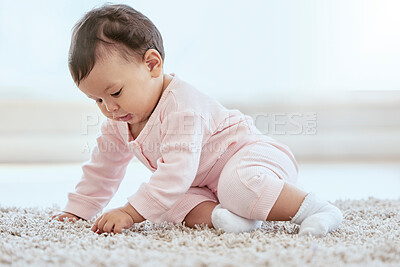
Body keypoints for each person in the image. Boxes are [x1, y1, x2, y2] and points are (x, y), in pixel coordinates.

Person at [51, 3, 343, 237]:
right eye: (98, 100)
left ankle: (316, 209)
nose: (109, 108)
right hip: (200, 182)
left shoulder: (182, 107)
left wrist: (129, 212)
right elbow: (102, 168)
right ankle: (231, 220)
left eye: (115, 92)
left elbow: (175, 173)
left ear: (152, 65)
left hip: (252, 157)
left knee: (231, 186)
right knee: (167, 205)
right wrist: (78, 210)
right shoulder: (119, 121)